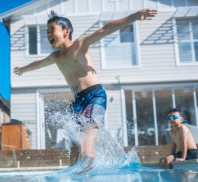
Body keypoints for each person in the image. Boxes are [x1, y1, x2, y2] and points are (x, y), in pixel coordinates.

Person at [13, 9, 157, 159]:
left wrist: (134, 17)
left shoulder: (80, 45)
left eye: (52, 30)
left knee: (86, 143)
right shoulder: (55, 57)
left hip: (94, 96)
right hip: (78, 102)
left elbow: (105, 29)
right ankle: (77, 177)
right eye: (47, 32)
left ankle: (89, 179)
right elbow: (39, 63)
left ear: (66, 31)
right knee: (75, 149)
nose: (48, 35)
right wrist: (23, 70)